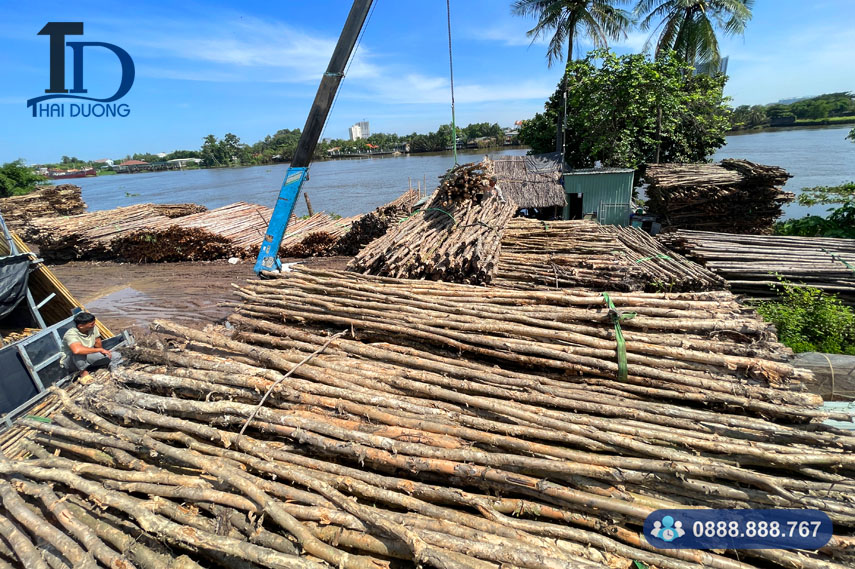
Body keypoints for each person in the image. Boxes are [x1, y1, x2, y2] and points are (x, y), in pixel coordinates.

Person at [60, 312, 111, 377]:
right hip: (72, 362)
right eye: (91, 324)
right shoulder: (71, 334)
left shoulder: (93, 328)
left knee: (114, 355)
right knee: (78, 354)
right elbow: (77, 350)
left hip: (87, 356)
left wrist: (103, 353)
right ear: (80, 326)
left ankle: (115, 372)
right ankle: (84, 373)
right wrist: (99, 350)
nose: (94, 325)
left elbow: (97, 342)